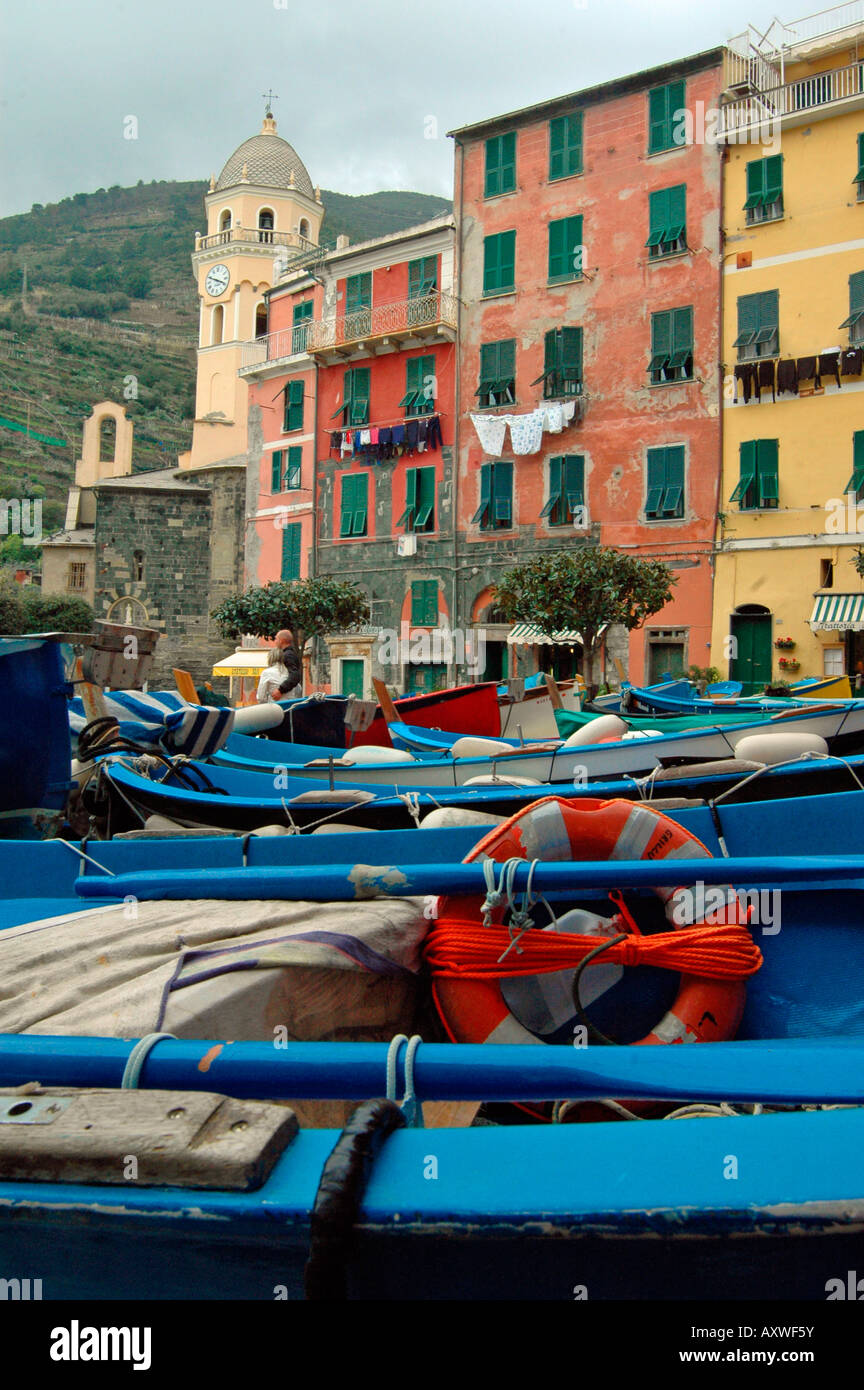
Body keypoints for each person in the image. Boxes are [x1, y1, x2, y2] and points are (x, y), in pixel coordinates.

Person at [256, 629, 302, 703]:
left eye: (276, 638)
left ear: (281, 640)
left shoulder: (288, 655)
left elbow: (295, 676)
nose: (275, 641)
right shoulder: (290, 653)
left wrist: (280, 690)